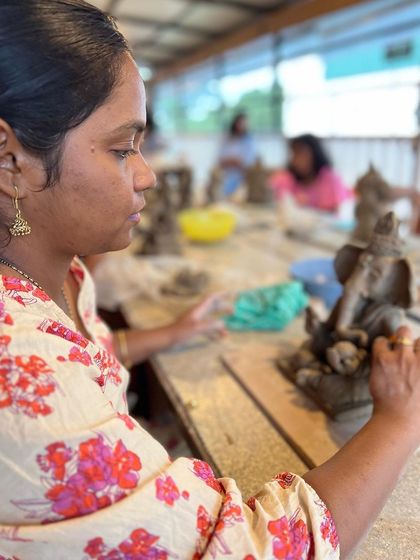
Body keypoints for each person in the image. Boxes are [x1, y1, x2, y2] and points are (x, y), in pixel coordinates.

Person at [0, 3, 420, 559]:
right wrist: (399, 418)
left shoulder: (61, 272)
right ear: (11, 162)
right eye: (124, 148)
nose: (147, 174)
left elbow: (92, 354)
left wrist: (173, 332)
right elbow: (252, 548)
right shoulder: (24, 371)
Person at [270, 134, 351, 213]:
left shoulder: (330, 178)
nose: (297, 160)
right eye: (294, 154)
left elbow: (334, 212)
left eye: (302, 153)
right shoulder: (286, 178)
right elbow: (270, 198)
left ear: (315, 154)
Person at [218, 112, 257, 196]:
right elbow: (220, 160)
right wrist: (233, 161)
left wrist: (235, 161)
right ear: (235, 123)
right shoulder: (226, 139)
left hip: (241, 178)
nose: (242, 126)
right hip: (226, 177)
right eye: (240, 123)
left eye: (244, 124)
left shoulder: (249, 141)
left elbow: (249, 163)